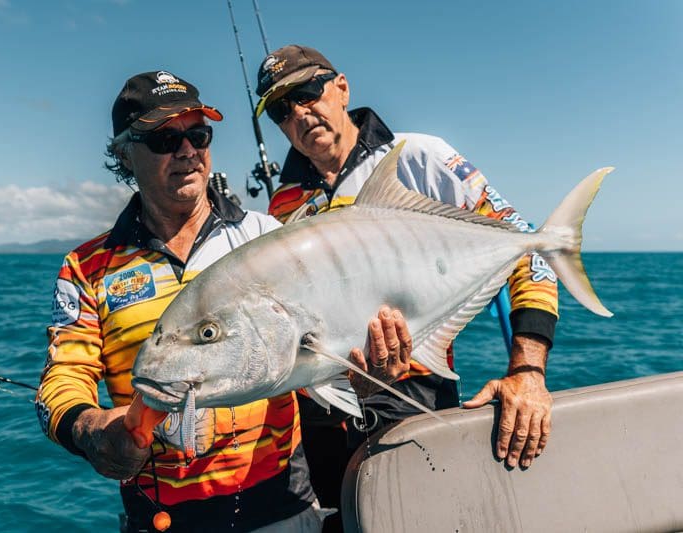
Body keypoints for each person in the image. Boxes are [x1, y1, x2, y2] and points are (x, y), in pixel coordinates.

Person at [35, 69, 409, 533]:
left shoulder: (267, 237)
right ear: (125, 155)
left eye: (198, 134)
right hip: (161, 518)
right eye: (164, 139)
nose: (188, 150)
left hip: (284, 506)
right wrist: (89, 429)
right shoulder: (87, 267)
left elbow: (326, 350)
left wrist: (368, 379)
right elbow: (62, 380)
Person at [255, 45, 559, 529]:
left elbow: (529, 251)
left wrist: (528, 370)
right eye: (280, 108)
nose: (298, 112)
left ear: (341, 87)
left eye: (307, 91)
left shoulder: (421, 158)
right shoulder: (283, 202)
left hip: (412, 398)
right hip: (318, 417)